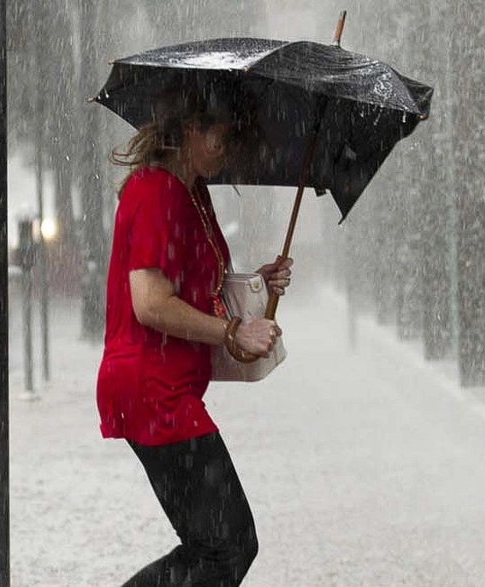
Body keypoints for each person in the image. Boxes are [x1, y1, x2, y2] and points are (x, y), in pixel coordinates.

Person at [96, 90, 293, 587]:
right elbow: (150, 302)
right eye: (219, 137)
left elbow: (199, 285)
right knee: (227, 546)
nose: (226, 150)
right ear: (187, 129)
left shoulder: (192, 193)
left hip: (170, 389)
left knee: (220, 546)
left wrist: (258, 284)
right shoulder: (155, 192)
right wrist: (232, 330)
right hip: (151, 390)